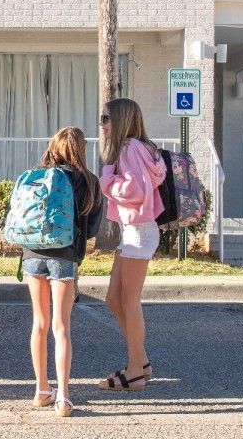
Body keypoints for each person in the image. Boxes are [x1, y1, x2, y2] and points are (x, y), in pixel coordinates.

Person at [19, 126, 103, 417]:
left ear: (53, 147)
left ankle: (42, 390)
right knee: (61, 326)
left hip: (32, 254)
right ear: (81, 149)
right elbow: (92, 228)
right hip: (65, 255)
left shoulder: (38, 176)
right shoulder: (89, 182)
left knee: (39, 323)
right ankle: (64, 397)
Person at [96, 96, 166, 392]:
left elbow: (135, 190)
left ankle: (136, 371)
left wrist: (107, 178)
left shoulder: (128, 149)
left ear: (121, 120)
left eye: (106, 119)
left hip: (138, 232)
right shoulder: (140, 148)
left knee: (129, 301)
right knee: (113, 299)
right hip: (135, 231)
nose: (102, 125)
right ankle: (142, 360)